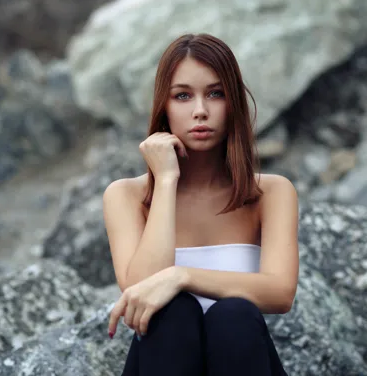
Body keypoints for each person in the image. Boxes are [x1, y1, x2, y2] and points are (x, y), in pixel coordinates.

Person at [102, 33, 299, 376]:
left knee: (234, 314)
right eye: (182, 96)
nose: (200, 111)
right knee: (171, 312)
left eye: (215, 93)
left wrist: (182, 276)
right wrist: (165, 181)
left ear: (233, 103)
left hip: (240, 357)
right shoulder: (126, 196)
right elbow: (140, 289)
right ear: (163, 106)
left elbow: (280, 293)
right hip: (164, 360)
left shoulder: (270, 192)